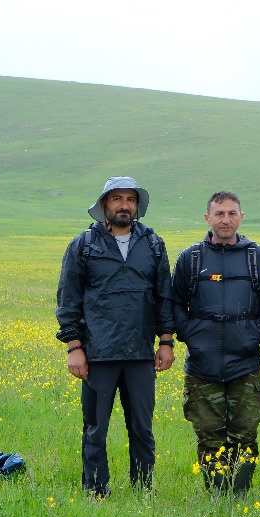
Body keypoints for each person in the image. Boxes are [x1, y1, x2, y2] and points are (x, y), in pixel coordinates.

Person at [55, 177, 176, 495]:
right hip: (98, 353)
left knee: (142, 428)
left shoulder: (153, 244)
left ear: (137, 206)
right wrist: (74, 346)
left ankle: (142, 491)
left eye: (131, 200)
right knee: (95, 428)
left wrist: (165, 342)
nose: (124, 205)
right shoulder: (83, 245)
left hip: (139, 353)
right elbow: (68, 298)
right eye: (117, 199)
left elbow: (164, 296)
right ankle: (95, 490)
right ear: (104, 204)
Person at [171, 191, 260, 495]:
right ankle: (218, 497)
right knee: (209, 436)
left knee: (246, 434)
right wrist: (190, 333)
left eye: (232, 213)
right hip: (202, 365)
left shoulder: (256, 257)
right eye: (219, 214)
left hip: (245, 364)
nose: (226, 220)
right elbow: (174, 302)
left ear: (241, 217)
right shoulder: (190, 259)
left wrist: (255, 333)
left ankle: (240, 495)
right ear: (207, 218)